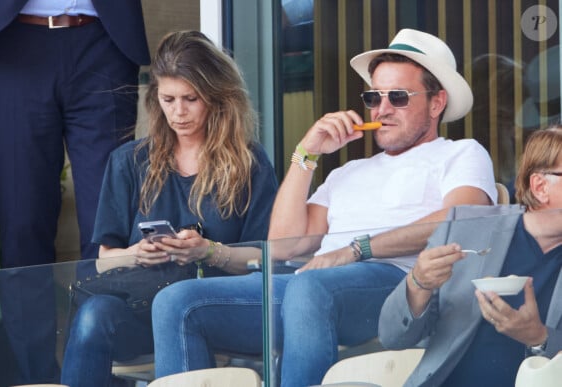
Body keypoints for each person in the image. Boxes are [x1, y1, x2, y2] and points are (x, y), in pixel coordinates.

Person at [152, 28, 497, 387]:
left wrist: (356, 250)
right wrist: (306, 152)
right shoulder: (348, 172)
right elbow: (283, 246)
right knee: (176, 302)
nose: (383, 109)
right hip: (313, 287)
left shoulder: (461, 153)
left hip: (401, 287)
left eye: (398, 97)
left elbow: (462, 219)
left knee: (309, 288)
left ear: (437, 102)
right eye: (373, 97)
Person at [60, 30, 278, 387]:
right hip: (139, 307)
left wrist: (208, 251)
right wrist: (137, 254)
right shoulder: (129, 161)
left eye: (191, 99)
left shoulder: (249, 163)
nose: (178, 112)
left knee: (179, 307)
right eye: (168, 98)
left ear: (216, 96)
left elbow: (264, 258)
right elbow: (102, 259)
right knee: (92, 314)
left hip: (214, 309)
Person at [0, 2, 149, 384]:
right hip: (10, 44)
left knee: (106, 227)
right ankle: (33, 378)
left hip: (102, 39)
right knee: (22, 227)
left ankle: (92, 371)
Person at [379, 126, 562, 386]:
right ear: (540, 186)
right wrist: (418, 283)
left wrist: (539, 337)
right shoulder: (467, 228)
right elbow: (392, 336)